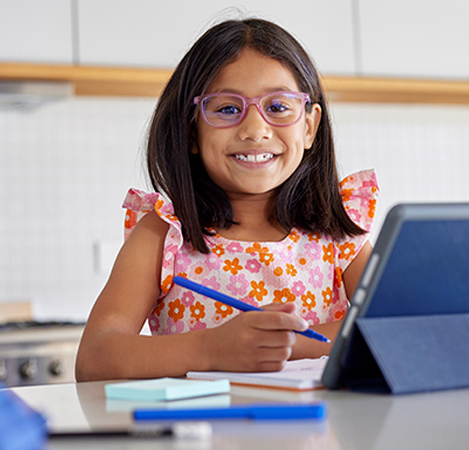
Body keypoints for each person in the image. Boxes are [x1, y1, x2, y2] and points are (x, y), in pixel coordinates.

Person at [75, 18, 378, 381]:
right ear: (191, 131)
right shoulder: (164, 235)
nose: (254, 130)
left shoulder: (339, 236)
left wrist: (283, 345)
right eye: (227, 109)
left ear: (309, 127)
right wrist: (212, 350)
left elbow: (385, 329)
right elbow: (95, 358)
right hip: (200, 436)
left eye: (278, 107)